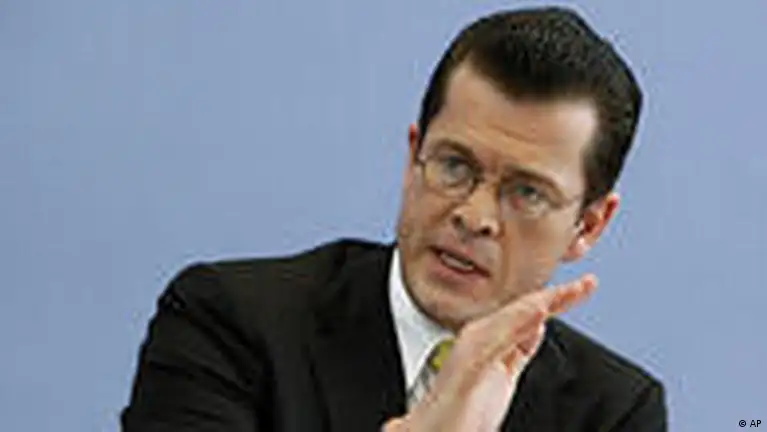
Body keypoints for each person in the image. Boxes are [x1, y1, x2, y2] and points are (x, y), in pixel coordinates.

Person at [122, 6, 668, 431]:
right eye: (455, 166)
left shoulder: (612, 412)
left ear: (588, 226)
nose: (473, 216)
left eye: (526, 193)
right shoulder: (230, 323)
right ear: (413, 159)